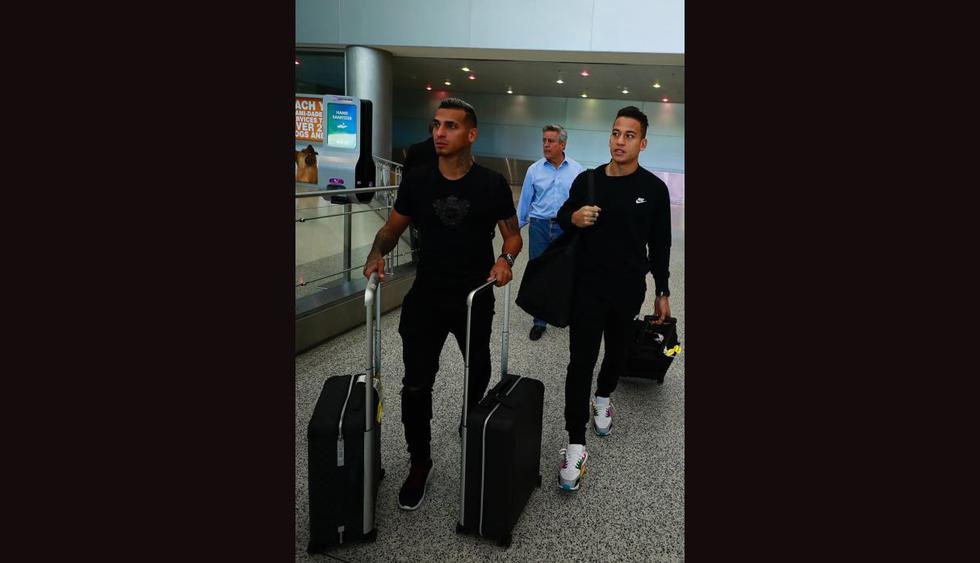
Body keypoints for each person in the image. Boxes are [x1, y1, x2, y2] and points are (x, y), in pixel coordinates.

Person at [362, 98, 523, 510]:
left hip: (474, 297)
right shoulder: (417, 180)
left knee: (479, 368)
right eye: (436, 125)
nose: (439, 132)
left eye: (450, 126)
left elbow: (512, 236)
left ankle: (471, 420)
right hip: (427, 296)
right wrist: (377, 253)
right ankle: (420, 461)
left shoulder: (492, 184)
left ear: (471, 134)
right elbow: (391, 229)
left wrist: (505, 261)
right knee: (416, 384)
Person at [553, 106, 671, 492]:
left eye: (629, 135)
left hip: (628, 290)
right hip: (587, 288)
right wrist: (574, 218)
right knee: (580, 361)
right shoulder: (587, 181)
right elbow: (562, 215)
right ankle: (575, 442)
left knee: (617, 353)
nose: (620, 141)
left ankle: (603, 397)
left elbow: (661, 245)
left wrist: (663, 291)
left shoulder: (654, 190)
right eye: (616, 133)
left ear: (643, 143)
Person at [516, 124, 584, 341]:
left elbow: (581, 203)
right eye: (544, 140)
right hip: (539, 227)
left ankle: (563, 313)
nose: (546, 145)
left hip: (566, 228)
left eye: (551, 141)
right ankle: (539, 322)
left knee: (565, 272)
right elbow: (525, 203)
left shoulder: (577, 170)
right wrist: (514, 231)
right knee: (539, 273)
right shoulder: (534, 170)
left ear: (562, 144)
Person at [402, 123, 438, 263]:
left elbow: (405, 176)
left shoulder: (415, 149)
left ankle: (417, 258)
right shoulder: (446, 151)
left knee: (416, 231)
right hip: (438, 201)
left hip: (416, 201)